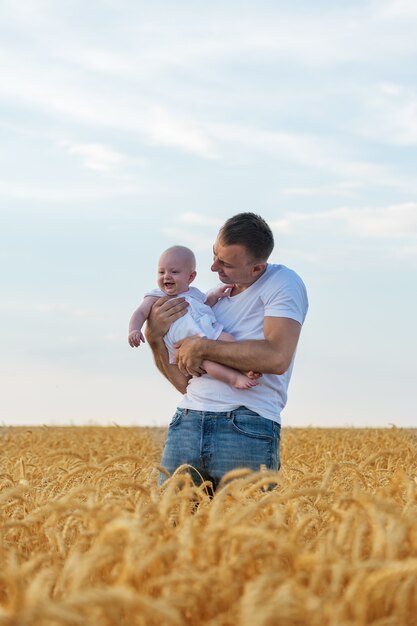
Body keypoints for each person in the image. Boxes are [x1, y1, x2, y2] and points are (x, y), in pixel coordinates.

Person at [144, 213, 309, 490]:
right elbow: (184, 383)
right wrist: (154, 339)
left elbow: (277, 357)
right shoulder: (209, 301)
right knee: (169, 529)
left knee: (243, 530)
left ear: (256, 268)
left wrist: (203, 347)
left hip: (245, 425)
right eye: (214, 255)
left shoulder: (283, 282)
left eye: (226, 264)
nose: (212, 267)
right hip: (187, 420)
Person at [128, 245, 260, 389]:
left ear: (190, 277)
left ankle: (244, 368)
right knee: (208, 364)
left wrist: (215, 295)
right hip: (183, 344)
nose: (166, 276)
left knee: (229, 339)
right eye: (161, 272)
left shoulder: (195, 293)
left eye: (174, 272)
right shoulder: (156, 295)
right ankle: (233, 378)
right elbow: (140, 312)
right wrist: (134, 330)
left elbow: (206, 306)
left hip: (208, 331)